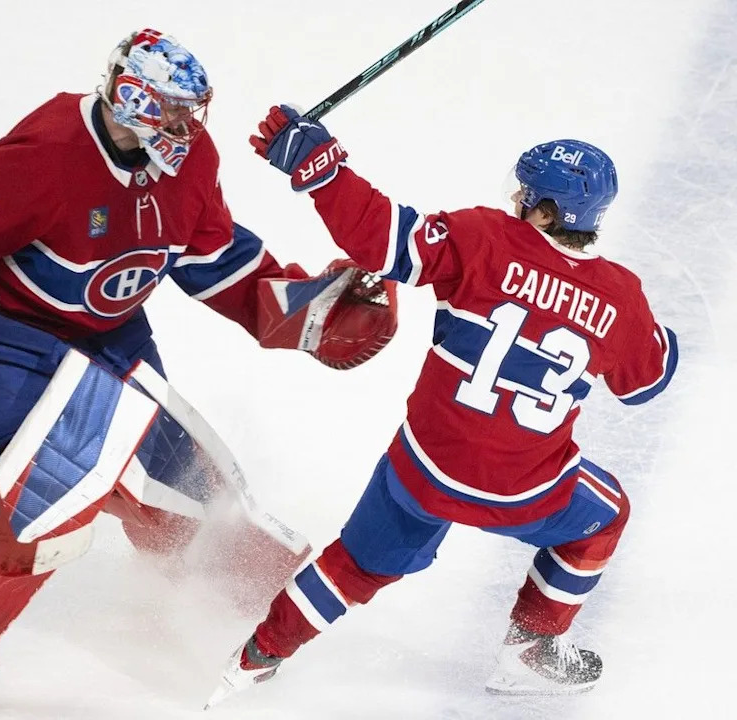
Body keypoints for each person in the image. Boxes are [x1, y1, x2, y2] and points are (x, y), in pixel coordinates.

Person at [0, 36, 397, 714]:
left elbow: (210, 259)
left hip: (114, 333)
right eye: (173, 112)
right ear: (133, 98)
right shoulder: (47, 156)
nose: (188, 128)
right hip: (15, 336)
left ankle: (245, 614)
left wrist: (307, 312)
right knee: (64, 462)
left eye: (191, 112)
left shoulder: (190, 162)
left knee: (185, 485)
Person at [209, 105, 679, 706]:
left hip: (424, 469)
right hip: (524, 490)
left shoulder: (482, 237)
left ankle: (254, 660)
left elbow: (382, 239)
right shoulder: (621, 297)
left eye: (527, 193)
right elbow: (647, 382)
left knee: (357, 563)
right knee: (605, 515)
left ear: (548, 209)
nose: (516, 198)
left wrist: (318, 166)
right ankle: (530, 653)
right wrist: (643, 326)